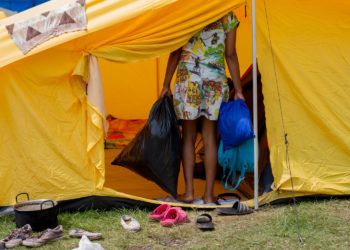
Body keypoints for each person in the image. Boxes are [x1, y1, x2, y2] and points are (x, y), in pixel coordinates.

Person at [160, 11, 244, 204]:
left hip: (188, 78)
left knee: (188, 136)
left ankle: (189, 192)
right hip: (214, 80)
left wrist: (166, 84)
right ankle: (208, 195)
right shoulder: (227, 15)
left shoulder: (188, 9)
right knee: (209, 137)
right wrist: (238, 89)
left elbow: (175, 51)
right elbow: (230, 54)